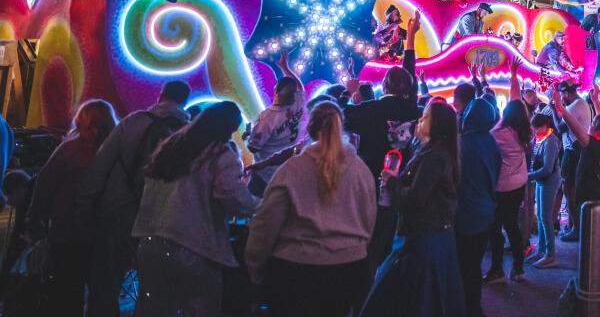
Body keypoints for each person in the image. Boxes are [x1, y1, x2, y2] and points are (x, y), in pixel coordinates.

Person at [245, 102, 376, 315]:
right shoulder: (361, 170)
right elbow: (369, 220)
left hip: (296, 271)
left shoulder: (292, 169)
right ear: (340, 127)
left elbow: (265, 223)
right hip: (349, 269)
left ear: (309, 128)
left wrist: (255, 268)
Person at [76, 81, 190, 317]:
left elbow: (102, 163)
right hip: (161, 215)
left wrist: (86, 203)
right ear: (185, 101)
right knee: (155, 282)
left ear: (161, 95)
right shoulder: (188, 130)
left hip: (120, 207)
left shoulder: (134, 121)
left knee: (107, 279)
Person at [132, 101, 258, 315]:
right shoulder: (220, 153)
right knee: (198, 308)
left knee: (153, 309)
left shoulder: (171, 146)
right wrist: (260, 204)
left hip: (150, 242)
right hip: (193, 245)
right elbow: (232, 196)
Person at [362, 101, 464, 317]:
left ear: (438, 125)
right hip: (424, 236)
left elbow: (415, 200)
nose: (420, 120)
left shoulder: (435, 156)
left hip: (424, 240)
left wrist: (392, 181)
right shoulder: (428, 150)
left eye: (425, 117)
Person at [342, 23, 421, 270]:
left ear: (384, 86)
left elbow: (338, 115)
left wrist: (349, 92)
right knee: (393, 231)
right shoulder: (411, 108)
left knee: (370, 238)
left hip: (370, 180)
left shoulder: (371, 109)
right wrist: (410, 43)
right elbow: (410, 76)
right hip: (402, 179)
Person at [28, 100, 118, 316]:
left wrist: (35, 218)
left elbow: (45, 184)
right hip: (105, 232)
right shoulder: (117, 152)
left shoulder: (69, 150)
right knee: (104, 294)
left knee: (66, 294)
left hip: (68, 231)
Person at [457, 97, 500, 317]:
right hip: (485, 210)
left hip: (466, 214)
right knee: (474, 266)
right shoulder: (491, 142)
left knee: (465, 268)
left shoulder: (463, 144)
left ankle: (469, 308)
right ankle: (474, 307)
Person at [484, 95, 531, 283]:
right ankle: (519, 268)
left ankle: (497, 269)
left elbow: (490, 139)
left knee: (494, 227)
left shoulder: (498, 134)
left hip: (501, 185)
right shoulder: (525, 133)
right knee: (512, 225)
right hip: (518, 184)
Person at [246, 53, 304, 194]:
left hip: (266, 174)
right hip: (289, 169)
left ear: (275, 91)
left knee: (257, 209)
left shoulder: (266, 119)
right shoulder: (298, 102)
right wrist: (286, 68)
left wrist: (249, 135)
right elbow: (299, 86)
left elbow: (254, 148)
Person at [555, 80, 592, 240]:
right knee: (575, 191)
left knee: (569, 191)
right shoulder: (583, 103)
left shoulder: (572, 107)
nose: (562, 97)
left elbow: (560, 127)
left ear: (567, 93)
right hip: (580, 151)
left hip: (572, 152)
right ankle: (573, 225)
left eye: (563, 94)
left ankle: (576, 229)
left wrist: (554, 108)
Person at [528, 112, 562, 268]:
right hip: (541, 180)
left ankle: (550, 254)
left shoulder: (550, 142)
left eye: (536, 128)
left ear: (544, 126)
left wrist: (528, 176)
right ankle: (542, 250)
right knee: (541, 217)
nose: (534, 131)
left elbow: (548, 168)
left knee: (546, 218)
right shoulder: (540, 139)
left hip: (549, 181)